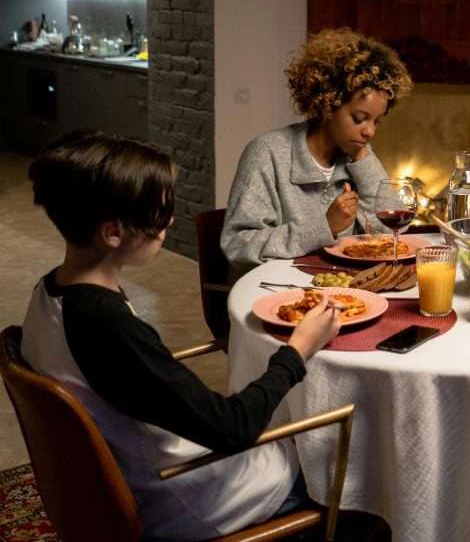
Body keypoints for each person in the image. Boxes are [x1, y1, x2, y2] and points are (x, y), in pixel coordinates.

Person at [20, 130, 346, 540]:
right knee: (335, 464)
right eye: (160, 212)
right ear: (114, 232)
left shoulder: (50, 291)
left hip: (143, 472)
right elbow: (234, 428)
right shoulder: (109, 327)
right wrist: (299, 348)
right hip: (185, 495)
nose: (169, 221)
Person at [221, 27, 414, 278]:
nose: (369, 132)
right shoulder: (267, 154)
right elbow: (238, 246)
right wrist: (323, 227)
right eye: (359, 118)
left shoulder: (357, 153)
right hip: (279, 294)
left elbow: (392, 234)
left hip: (344, 294)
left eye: (376, 122)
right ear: (327, 103)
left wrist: (362, 159)